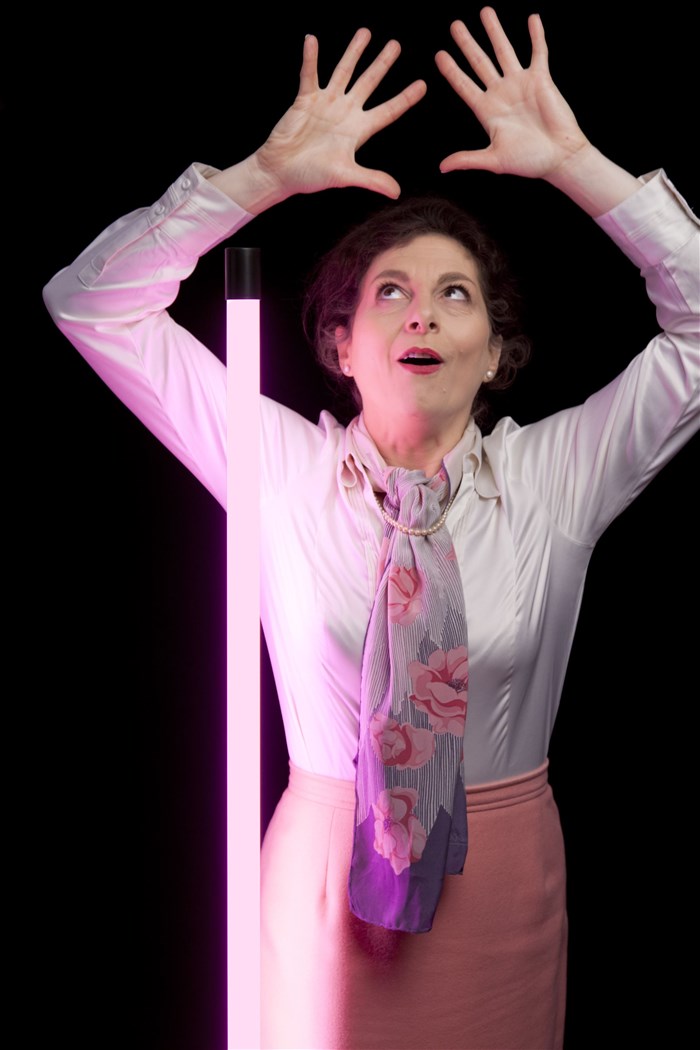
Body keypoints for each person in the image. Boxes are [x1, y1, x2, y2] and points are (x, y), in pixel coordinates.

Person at [43, 7, 699, 1048]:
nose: (421, 314)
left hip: (503, 892)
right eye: (390, 292)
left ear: (496, 353)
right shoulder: (278, 469)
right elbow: (92, 305)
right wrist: (258, 177)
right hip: (323, 886)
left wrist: (580, 168)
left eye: (455, 295)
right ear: (343, 346)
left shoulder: (556, 479)